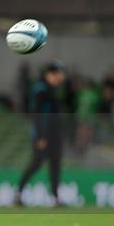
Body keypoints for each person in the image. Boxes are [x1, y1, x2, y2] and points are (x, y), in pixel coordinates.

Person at [16, 61, 66, 207]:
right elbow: (36, 115)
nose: (60, 77)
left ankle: (55, 198)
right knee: (36, 163)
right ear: (49, 74)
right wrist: (40, 136)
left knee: (55, 165)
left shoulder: (53, 89)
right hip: (43, 135)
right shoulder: (40, 90)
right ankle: (18, 192)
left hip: (55, 134)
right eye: (57, 74)